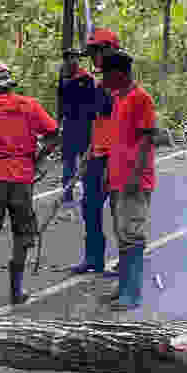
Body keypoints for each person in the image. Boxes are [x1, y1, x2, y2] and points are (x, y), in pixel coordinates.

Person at [0, 58, 60, 307]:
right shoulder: (29, 105)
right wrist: (37, 159)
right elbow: (53, 135)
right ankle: (16, 291)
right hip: (22, 179)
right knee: (22, 233)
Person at [98, 50, 157, 310]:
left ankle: (132, 293)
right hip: (118, 178)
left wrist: (135, 175)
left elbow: (146, 138)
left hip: (134, 180)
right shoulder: (118, 99)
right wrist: (107, 173)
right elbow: (116, 140)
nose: (103, 81)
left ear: (119, 74)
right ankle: (123, 286)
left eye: (106, 75)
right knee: (123, 236)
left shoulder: (140, 99)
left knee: (133, 236)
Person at [68, 28, 120, 277]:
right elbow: (98, 122)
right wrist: (89, 152)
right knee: (90, 207)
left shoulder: (122, 85)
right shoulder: (99, 84)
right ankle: (93, 258)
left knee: (120, 211)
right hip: (97, 155)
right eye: (93, 52)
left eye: (98, 51)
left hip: (118, 157)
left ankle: (126, 262)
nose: (95, 57)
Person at [57, 50, 100, 203]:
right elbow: (60, 102)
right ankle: (67, 193)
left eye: (75, 58)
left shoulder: (87, 78)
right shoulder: (63, 78)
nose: (72, 61)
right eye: (68, 59)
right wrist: (59, 122)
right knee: (68, 160)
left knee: (85, 160)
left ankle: (90, 193)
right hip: (69, 124)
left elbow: (95, 102)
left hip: (85, 125)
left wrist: (95, 125)